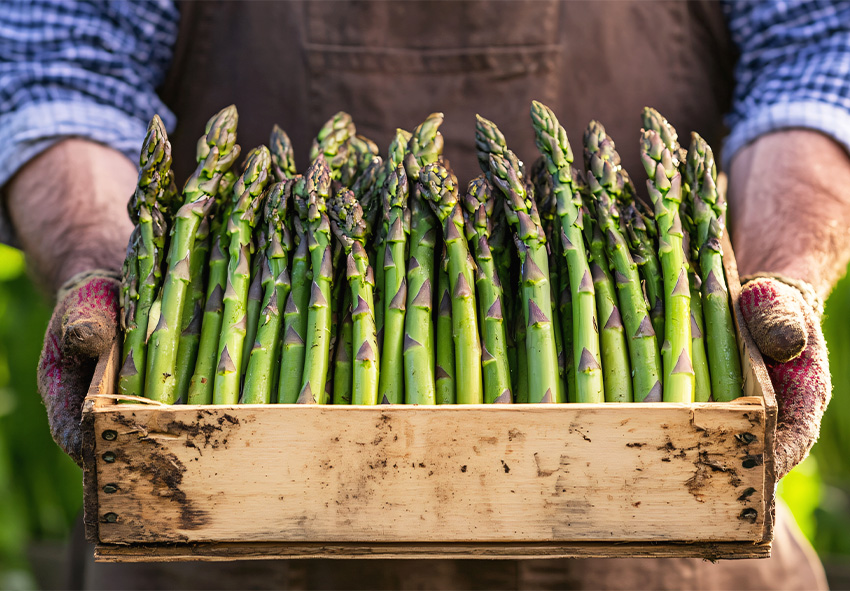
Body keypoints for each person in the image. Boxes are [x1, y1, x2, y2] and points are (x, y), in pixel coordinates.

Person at [2, 0, 846, 588]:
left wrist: (778, 280)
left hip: (668, 556)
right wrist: (98, 264)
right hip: (206, 544)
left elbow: (817, 57)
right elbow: (58, 75)